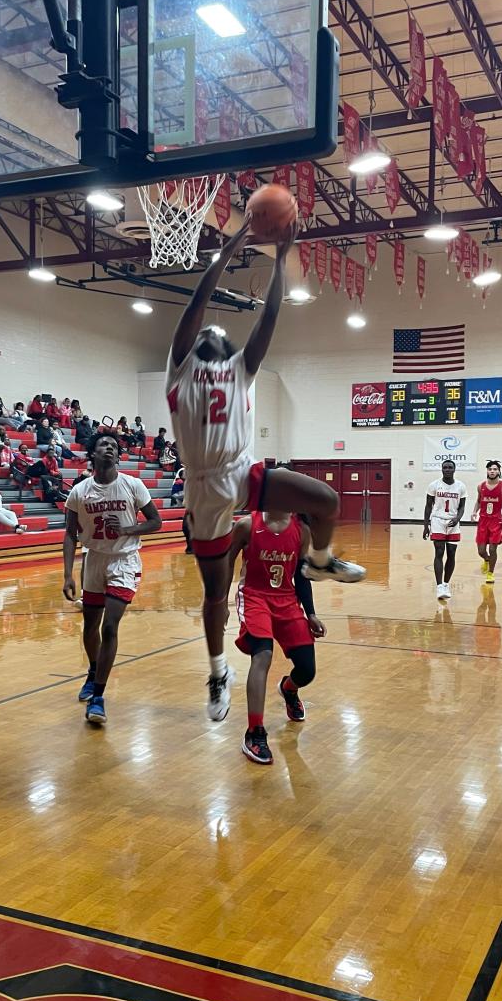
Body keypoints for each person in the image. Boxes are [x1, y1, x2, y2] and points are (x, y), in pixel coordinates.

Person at [166, 214, 364, 721]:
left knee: (327, 502)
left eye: (218, 331)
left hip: (243, 472)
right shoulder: (182, 366)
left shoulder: (242, 369)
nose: (212, 329)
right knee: (214, 593)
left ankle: (319, 560)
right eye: (205, 330)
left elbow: (270, 318)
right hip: (206, 491)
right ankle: (216, 672)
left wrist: (281, 258)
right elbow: (197, 303)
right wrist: (231, 248)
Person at [62, 431, 162, 724]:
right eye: (104, 444)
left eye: (114, 446)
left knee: (110, 626)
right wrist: (67, 574)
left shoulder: (133, 485)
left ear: (118, 456)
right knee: (90, 625)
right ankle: (93, 671)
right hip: (93, 559)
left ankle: (99, 697)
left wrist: (129, 529)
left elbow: (156, 521)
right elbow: (70, 534)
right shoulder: (79, 491)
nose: (109, 448)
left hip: (124, 560)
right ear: (92, 454)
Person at [228, 509, 326, 765]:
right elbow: (227, 562)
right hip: (254, 597)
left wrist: (312, 613)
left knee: (307, 669)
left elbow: (301, 576)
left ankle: (288, 689)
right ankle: (254, 733)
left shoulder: (300, 530)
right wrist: (217, 603)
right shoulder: (248, 525)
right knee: (263, 655)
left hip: (286, 600)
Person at [423, 459, 468, 601]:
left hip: (453, 522)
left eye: (450, 467)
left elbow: (462, 507)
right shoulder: (434, 485)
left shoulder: (461, 486)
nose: (447, 469)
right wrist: (426, 525)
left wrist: (458, 518)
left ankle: (446, 584)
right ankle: (439, 586)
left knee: (452, 553)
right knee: (439, 551)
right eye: (445, 467)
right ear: (442, 469)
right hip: (437, 520)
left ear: (454, 470)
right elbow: (428, 506)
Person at [471, 459, 502, 584]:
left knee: (492, 549)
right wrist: (474, 511)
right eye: (490, 469)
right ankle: (486, 560)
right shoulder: (481, 486)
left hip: (496, 521)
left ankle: (490, 573)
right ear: (487, 471)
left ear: (499, 471)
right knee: (481, 551)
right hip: (483, 520)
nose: (492, 471)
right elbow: (479, 501)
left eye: (495, 469)